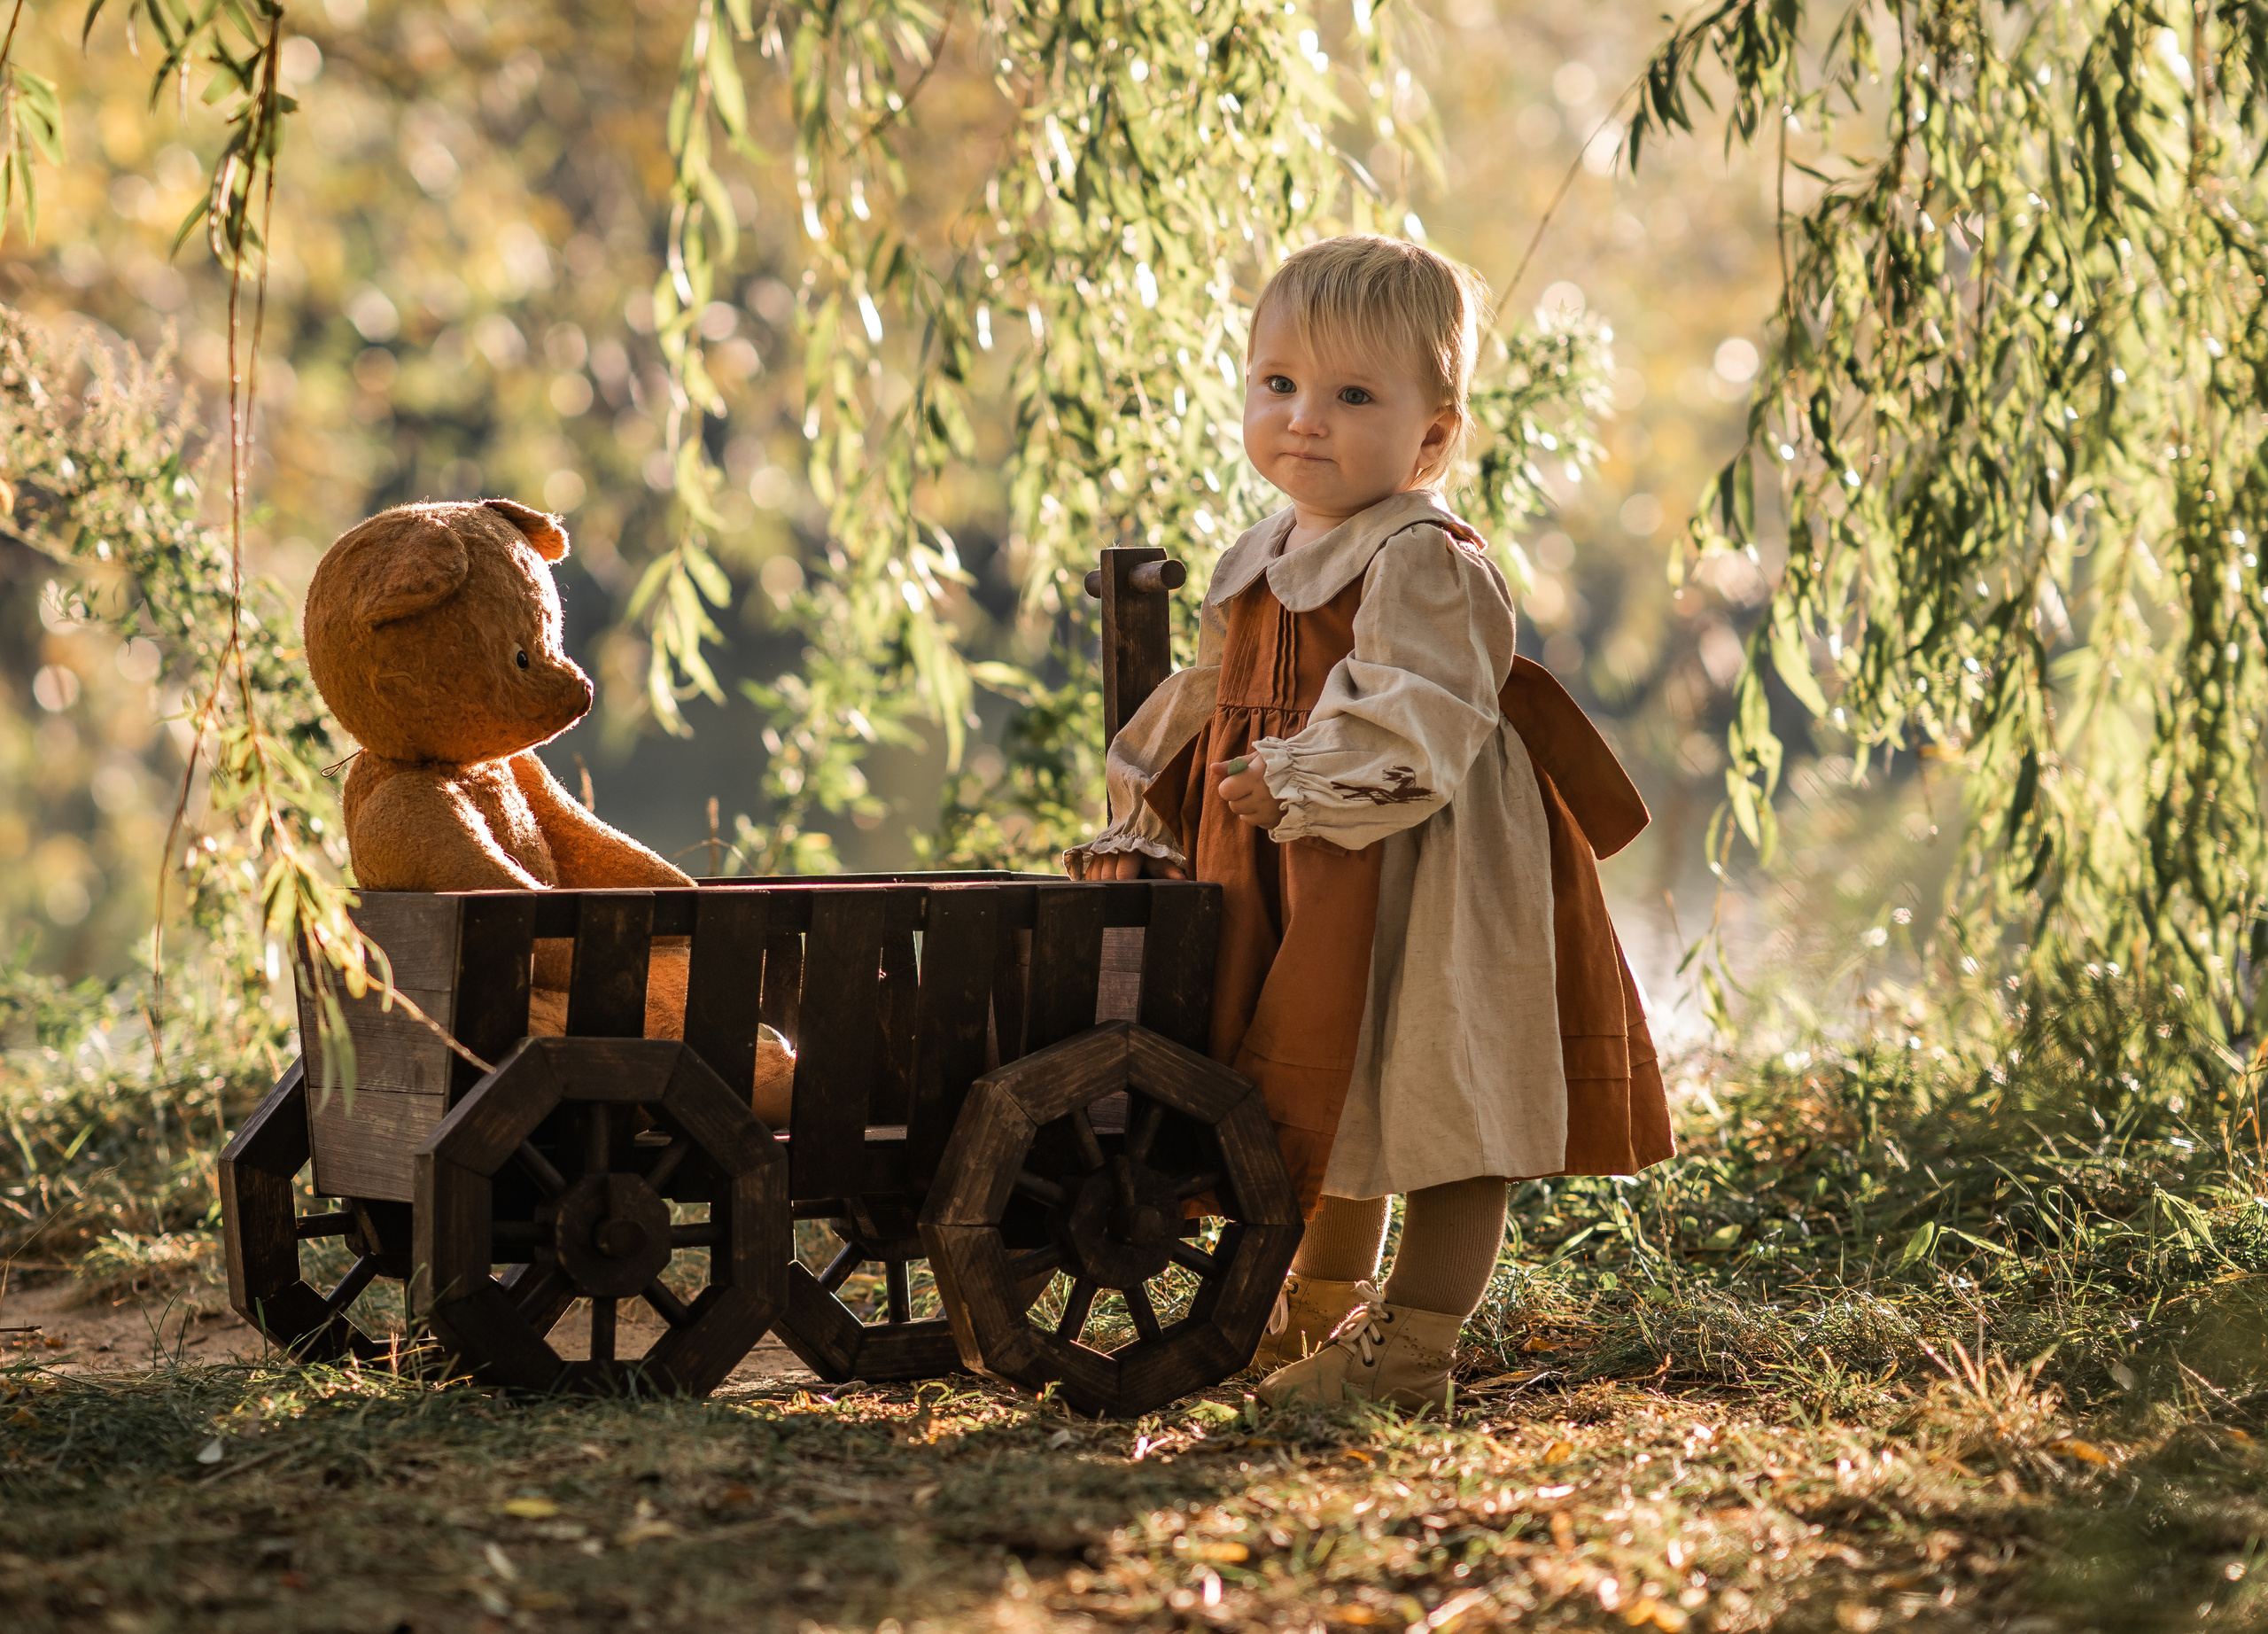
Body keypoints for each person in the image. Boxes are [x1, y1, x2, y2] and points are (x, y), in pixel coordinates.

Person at [1063, 234, 1674, 1410]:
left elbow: (1420, 714)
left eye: (1354, 395)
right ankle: (1312, 1315)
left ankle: (1408, 1356)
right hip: (1306, 871)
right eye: (1279, 384)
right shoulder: (1260, 557)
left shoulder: (1420, 559)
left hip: (1429, 867)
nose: (1306, 418)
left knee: (1446, 1092)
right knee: (1335, 1085)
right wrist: (1149, 799)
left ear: (1433, 435)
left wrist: (1301, 777)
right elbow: (1202, 698)